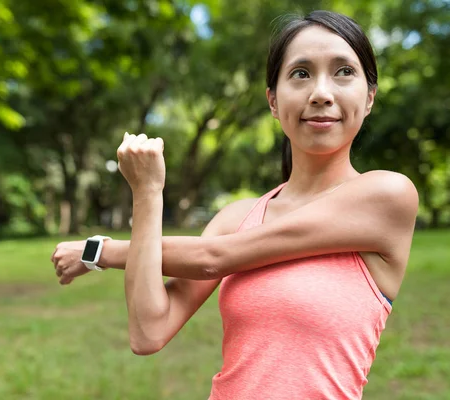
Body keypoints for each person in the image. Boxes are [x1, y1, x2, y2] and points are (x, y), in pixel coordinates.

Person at [51, 10, 419, 400]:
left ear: (369, 98)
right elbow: (148, 331)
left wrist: (100, 252)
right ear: (273, 102)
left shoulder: (387, 196)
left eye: (344, 71)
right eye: (301, 73)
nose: (321, 93)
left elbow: (215, 256)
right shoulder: (237, 217)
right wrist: (146, 194)